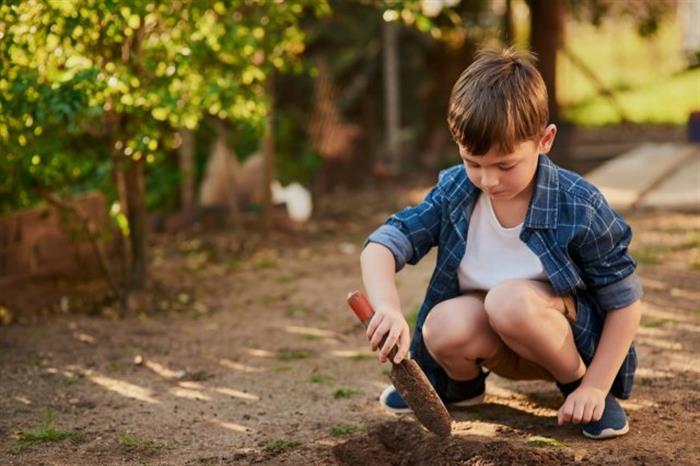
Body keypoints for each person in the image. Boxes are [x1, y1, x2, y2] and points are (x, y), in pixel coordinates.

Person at [359, 48, 643, 439]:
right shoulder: (455, 192)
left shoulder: (577, 203)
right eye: (472, 162)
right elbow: (384, 243)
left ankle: (578, 390)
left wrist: (595, 384)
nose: (488, 180)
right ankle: (461, 386)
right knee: (441, 324)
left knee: (508, 301)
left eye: (505, 165)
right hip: (491, 336)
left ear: (545, 140)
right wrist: (388, 309)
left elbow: (625, 301)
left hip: (561, 341)